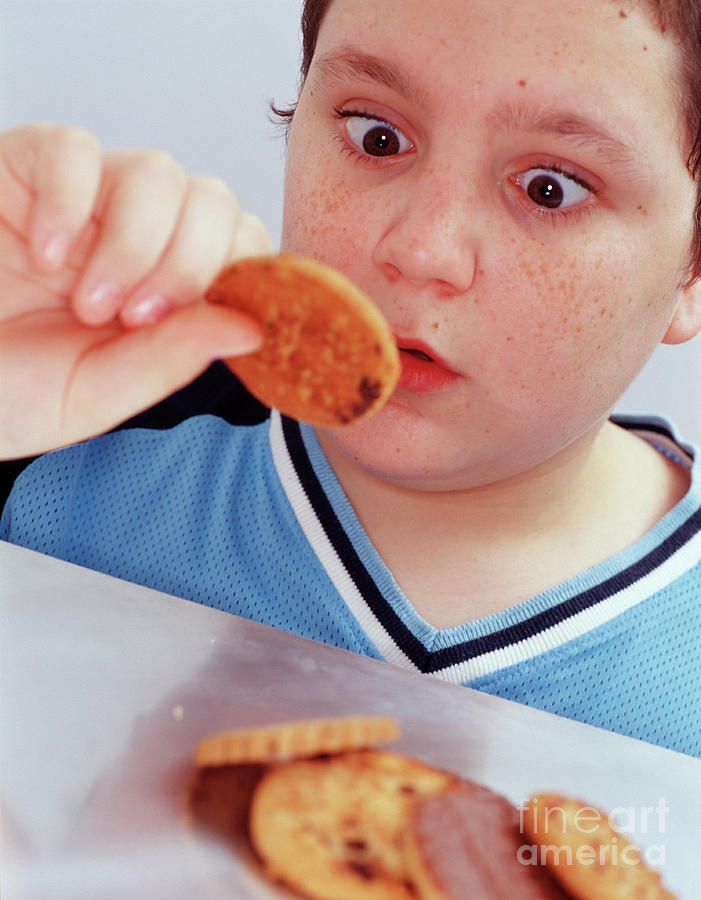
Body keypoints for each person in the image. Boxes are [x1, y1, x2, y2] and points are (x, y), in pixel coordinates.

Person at [1, 0, 700, 757]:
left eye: (549, 188)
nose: (420, 249)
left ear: (691, 268)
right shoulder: (74, 439)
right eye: (378, 136)